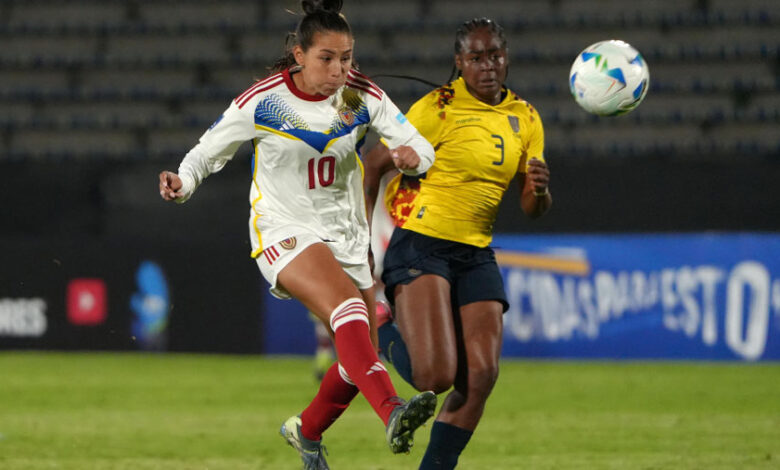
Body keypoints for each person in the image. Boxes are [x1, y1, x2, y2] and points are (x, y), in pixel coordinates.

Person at [158, 1, 437, 468]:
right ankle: (393, 410)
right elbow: (208, 153)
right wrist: (182, 184)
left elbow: (420, 146)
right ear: (299, 54)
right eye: (327, 58)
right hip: (282, 230)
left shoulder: (361, 96)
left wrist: (414, 158)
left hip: (347, 237)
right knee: (348, 311)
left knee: (355, 362)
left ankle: (306, 432)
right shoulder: (263, 100)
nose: (338, 69)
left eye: (346, 58)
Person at [363, 17, 552, 469]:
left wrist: (540, 191)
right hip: (421, 244)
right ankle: (379, 329)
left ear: (506, 56)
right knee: (435, 377)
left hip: (475, 252)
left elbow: (532, 207)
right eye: (476, 57)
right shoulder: (437, 108)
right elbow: (372, 164)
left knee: (482, 375)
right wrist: (361, 243)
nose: (488, 65)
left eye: (495, 55)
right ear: (459, 62)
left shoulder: (525, 117)